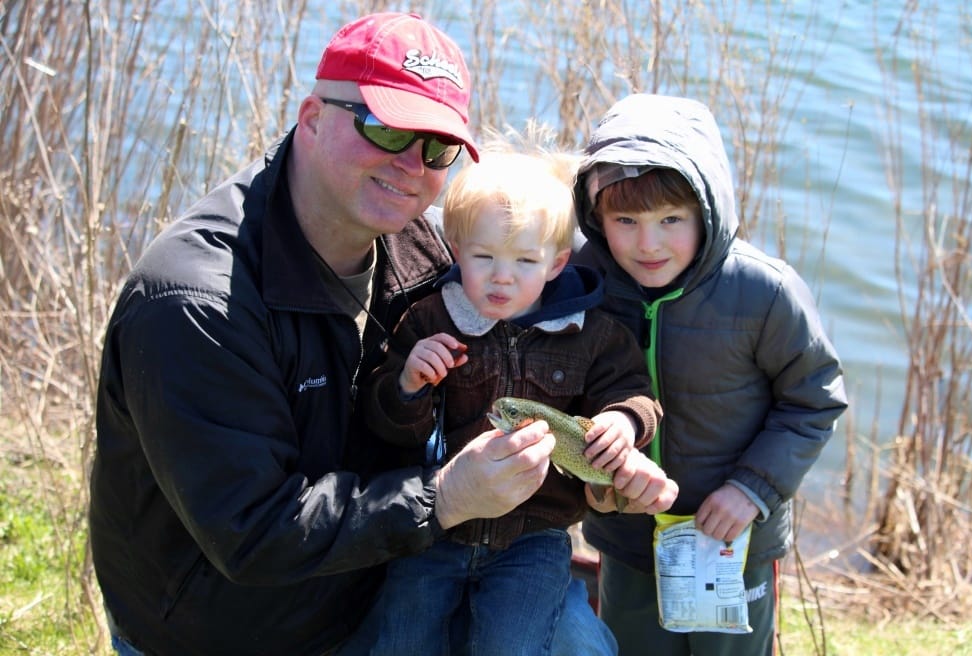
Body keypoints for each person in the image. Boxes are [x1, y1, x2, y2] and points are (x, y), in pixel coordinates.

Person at [87, 14, 676, 656]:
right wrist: (446, 497)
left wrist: (601, 470)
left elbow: (531, 348)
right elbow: (254, 531)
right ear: (312, 117)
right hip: (231, 628)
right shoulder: (196, 301)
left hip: (388, 571)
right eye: (385, 127)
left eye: (437, 147)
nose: (410, 165)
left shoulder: (426, 244)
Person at [360, 146, 669, 655]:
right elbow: (388, 424)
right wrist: (408, 384)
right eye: (485, 258)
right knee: (401, 640)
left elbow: (632, 392)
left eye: (526, 260)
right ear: (456, 250)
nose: (503, 277)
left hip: (535, 535)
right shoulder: (430, 320)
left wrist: (623, 422)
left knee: (514, 646)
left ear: (557, 264)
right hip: (437, 525)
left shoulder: (590, 335)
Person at [573, 93, 849, 656]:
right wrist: (590, 480)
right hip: (629, 540)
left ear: (708, 209)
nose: (648, 243)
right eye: (625, 220)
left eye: (671, 220)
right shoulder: (581, 280)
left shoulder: (764, 291)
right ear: (596, 216)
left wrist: (754, 488)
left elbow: (814, 400)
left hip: (735, 538)